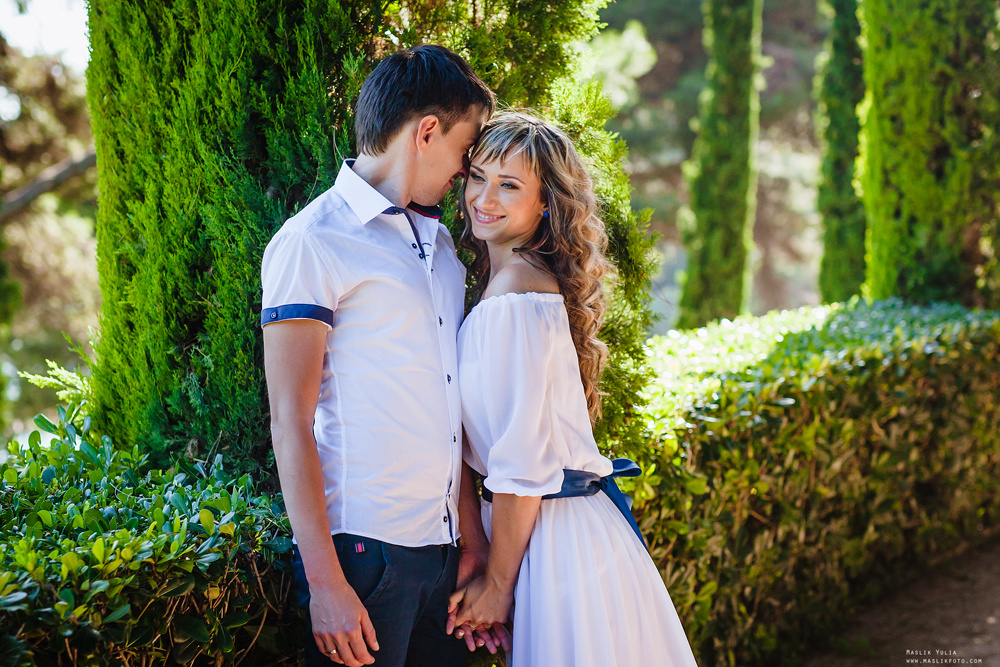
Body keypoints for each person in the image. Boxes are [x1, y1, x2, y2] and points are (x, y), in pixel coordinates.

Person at [260, 44, 508, 667]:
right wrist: (325, 584)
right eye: (465, 147)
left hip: (444, 558)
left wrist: (471, 534)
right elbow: (290, 422)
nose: (466, 169)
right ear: (427, 131)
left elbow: (447, 400)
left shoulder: (443, 244)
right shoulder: (311, 242)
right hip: (365, 561)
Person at [447, 112, 700, 666]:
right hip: (554, 539)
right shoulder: (512, 285)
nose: (484, 198)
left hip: (555, 550)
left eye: (509, 185)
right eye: (478, 177)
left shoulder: (514, 297)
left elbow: (520, 468)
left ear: (545, 204)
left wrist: (498, 585)